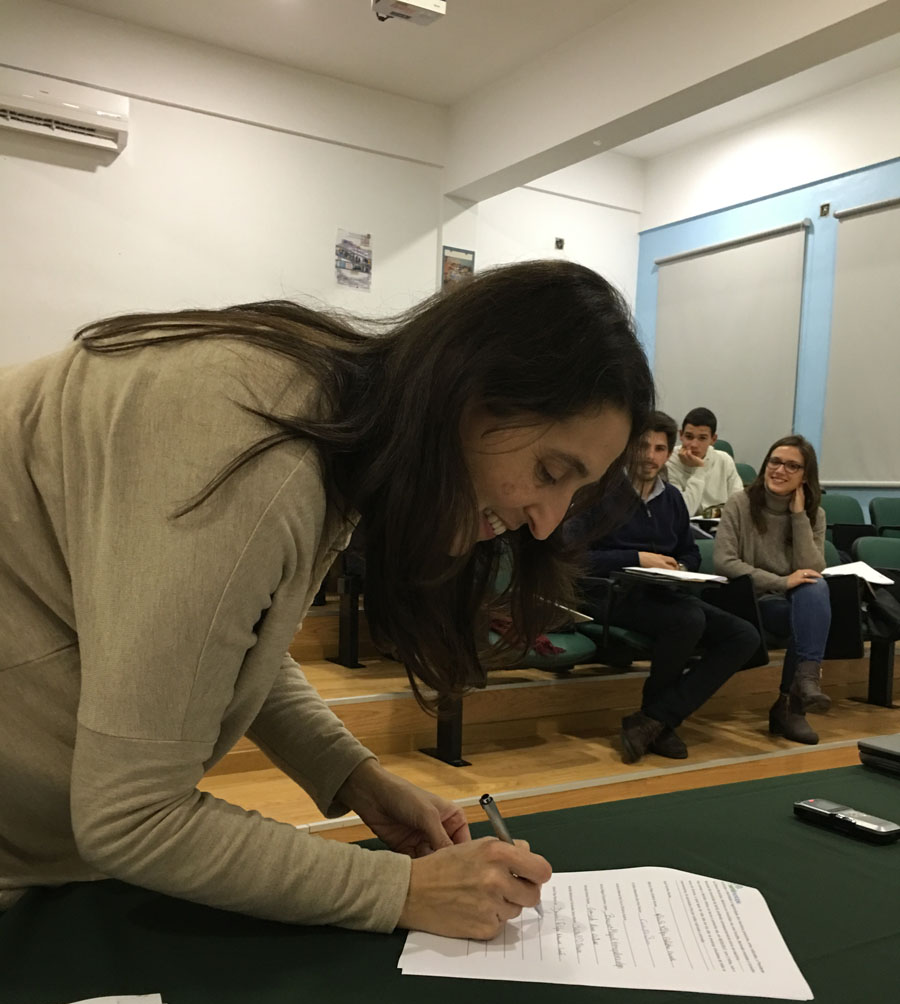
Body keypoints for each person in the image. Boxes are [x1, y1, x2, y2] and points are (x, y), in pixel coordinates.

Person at [0, 261, 655, 939]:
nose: (547, 522)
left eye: (574, 492)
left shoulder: (321, 411)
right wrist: (403, 889)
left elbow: (227, 636)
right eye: (550, 471)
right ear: (470, 392)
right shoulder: (258, 448)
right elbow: (133, 816)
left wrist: (352, 773)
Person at [573, 413, 760, 763]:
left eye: (659, 448)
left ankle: (655, 718)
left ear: (667, 453)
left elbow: (689, 551)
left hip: (662, 593)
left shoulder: (671, 498)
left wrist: (682, 568)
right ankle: (658, 721)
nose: (650, 456)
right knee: (687, 620)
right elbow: (575, 557)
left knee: (745, 636)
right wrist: (637, 557)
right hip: (609, 594)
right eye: (643, 446)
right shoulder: (598, 492)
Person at [713, 435, 831, 745]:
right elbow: (724, 562)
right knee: (808, 613)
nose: (780, 470)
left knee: (815, 589)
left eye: (792, 466)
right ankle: (794, 704)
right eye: (775, 462)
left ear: (805, 476)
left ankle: (802, 685)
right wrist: (781, 582)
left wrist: (798, 516)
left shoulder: (814, 515)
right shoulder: (740, 503)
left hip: (792, 603)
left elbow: (811, 568)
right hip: (751, 599)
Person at [665, 406, 744, 517]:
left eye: (702, 438)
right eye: (689, 437)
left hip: (721, 523)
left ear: (713, 439)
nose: (694, 444)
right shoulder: (668, 461)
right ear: (681, 435)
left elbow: (739, 506)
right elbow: (684, 512)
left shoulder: (724, 460)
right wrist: (700, 469)